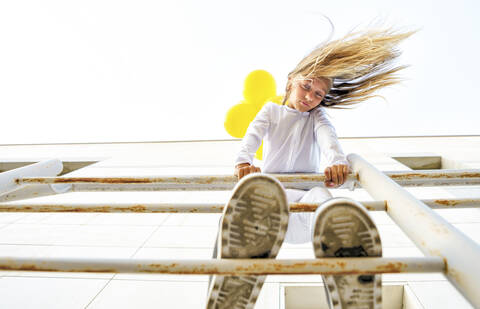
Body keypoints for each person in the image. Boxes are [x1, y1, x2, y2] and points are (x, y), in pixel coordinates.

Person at [206, 27, 414, 309]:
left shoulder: (318, 116)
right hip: (271, 209)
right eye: (306, 86)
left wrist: (337, 162)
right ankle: (233, 281)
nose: (309, 97)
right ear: (291, 81)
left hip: (305, 209)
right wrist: (243, 160)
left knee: (323, 197)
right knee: (248, 202)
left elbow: (329, 139)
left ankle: (347, 275)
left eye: (318, 94)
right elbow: (253, 135)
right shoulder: (271, 111)